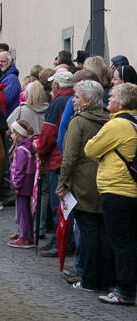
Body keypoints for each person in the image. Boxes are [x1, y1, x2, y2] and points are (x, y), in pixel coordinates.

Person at [84, 82, 137, 305]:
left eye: (112, 96)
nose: (108, 99)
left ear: (122, 102)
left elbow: (90, 149)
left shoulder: (117, 125)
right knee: (130, 241)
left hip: (117, 188)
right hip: (131, 189)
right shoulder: (133, 123)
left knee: (121, 243)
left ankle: (124, 290)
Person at [57, 79, 112, 292]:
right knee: (104, 232)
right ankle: (106, 278)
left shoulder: (78, 122)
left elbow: (69, 156)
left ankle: (89, 279)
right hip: (105, 180)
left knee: (88, 232)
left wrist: (62, 184)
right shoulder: (110, 119)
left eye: (77, 97)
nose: (73, 99)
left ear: (87, 101)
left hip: (83, 183)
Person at [35, 68, 75, 258]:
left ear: (57, 85)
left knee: (58, 204)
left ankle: (62, 243)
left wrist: (40, 151)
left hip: (57, 160)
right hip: (69, 159)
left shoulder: (58, 102)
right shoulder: (72, 99)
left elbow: (49, 133)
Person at [7, 121, 37, 248]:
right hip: (28, 183)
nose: (11, 136)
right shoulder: (29, 147)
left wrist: (16, 185)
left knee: (22, 211)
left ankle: (24, 236)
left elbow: (19, 170)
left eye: (13, 133)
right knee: (26, 211)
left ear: (19, 134)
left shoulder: (20, 150)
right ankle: (28, 235)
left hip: (22, 185)